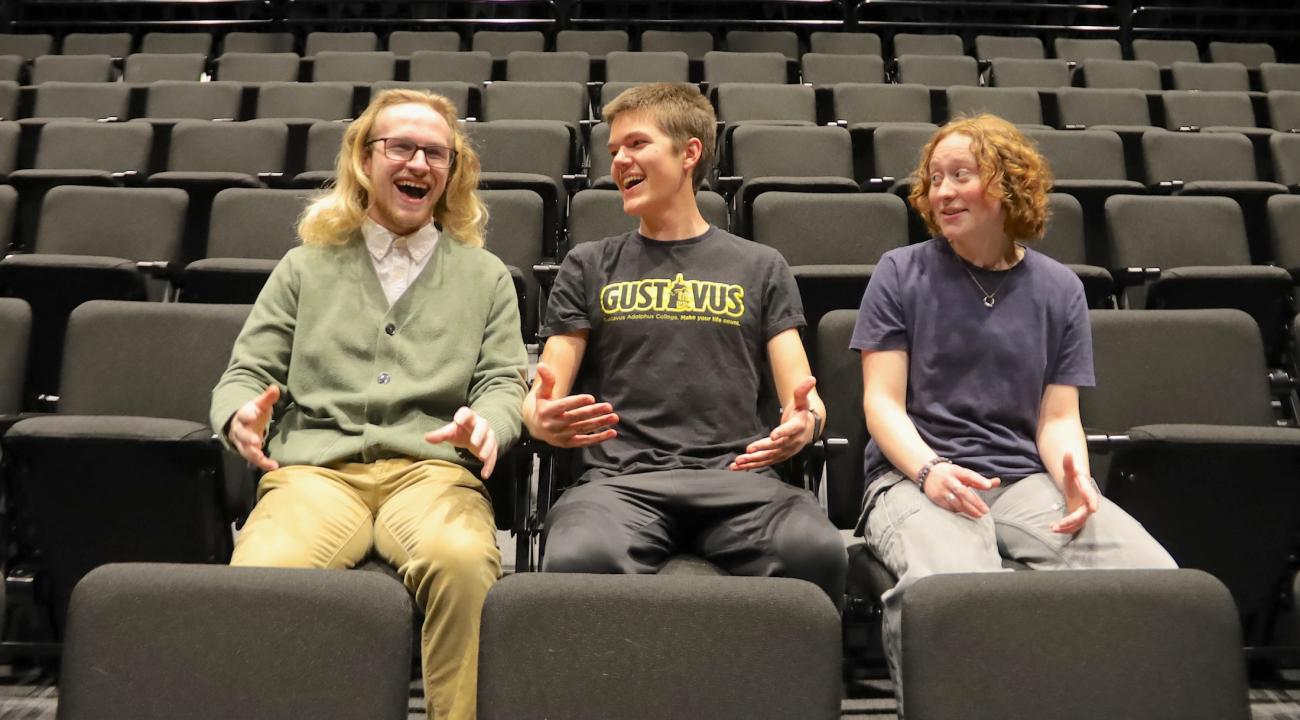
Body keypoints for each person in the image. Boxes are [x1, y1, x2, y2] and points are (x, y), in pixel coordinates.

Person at [210, 89, 527, 720]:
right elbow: (247, 371)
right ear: (364, 158)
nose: (418, 164)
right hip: (315, 474)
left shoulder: (486, 274)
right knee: (261, 575)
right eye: (401, 147)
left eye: (435, 152)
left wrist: (486, 424)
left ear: (452, 170)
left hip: (431, 473)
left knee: (465, 564)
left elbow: (503, 382)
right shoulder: (305, 266)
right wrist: (241, 413)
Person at [850, 114, 1176, 713]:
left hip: (1023, 480)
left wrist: (1074, 475)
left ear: (1008, 185)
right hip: (913, 479)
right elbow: (881, 402)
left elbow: (1057, 419)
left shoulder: (1059, 289)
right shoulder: (899, 273)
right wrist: (929, 471)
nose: (943, 192)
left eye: (961, 176)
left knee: (1153, 576)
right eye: (934, 178)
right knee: (952, 593)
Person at [523, 82, 846, 603]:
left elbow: (803, 398)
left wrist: (804, 425)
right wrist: (538, 417)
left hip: (742, 481)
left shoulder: (761, 266)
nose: (618, 162)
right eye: (613, 151)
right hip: (619, 484)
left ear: (689, 152)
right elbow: (547, 390)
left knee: (816, 552)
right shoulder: (586, 264)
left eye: (636, 144)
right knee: (579, 561)